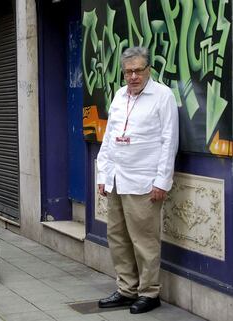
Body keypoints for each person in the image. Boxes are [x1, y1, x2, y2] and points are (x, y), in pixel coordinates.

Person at [96, 47, 179, 314]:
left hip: (145, 181)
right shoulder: (120, 96)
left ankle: (149, 293)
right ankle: (126, 289)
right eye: (128, 72)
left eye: (138, 71)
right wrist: (103, 174)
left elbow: (169, 141)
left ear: (148, 70)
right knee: (117, 237)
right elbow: (109, 138)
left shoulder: (162, 96)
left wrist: (161, 181)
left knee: (145, 241)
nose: (133, 76)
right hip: (118, 180)